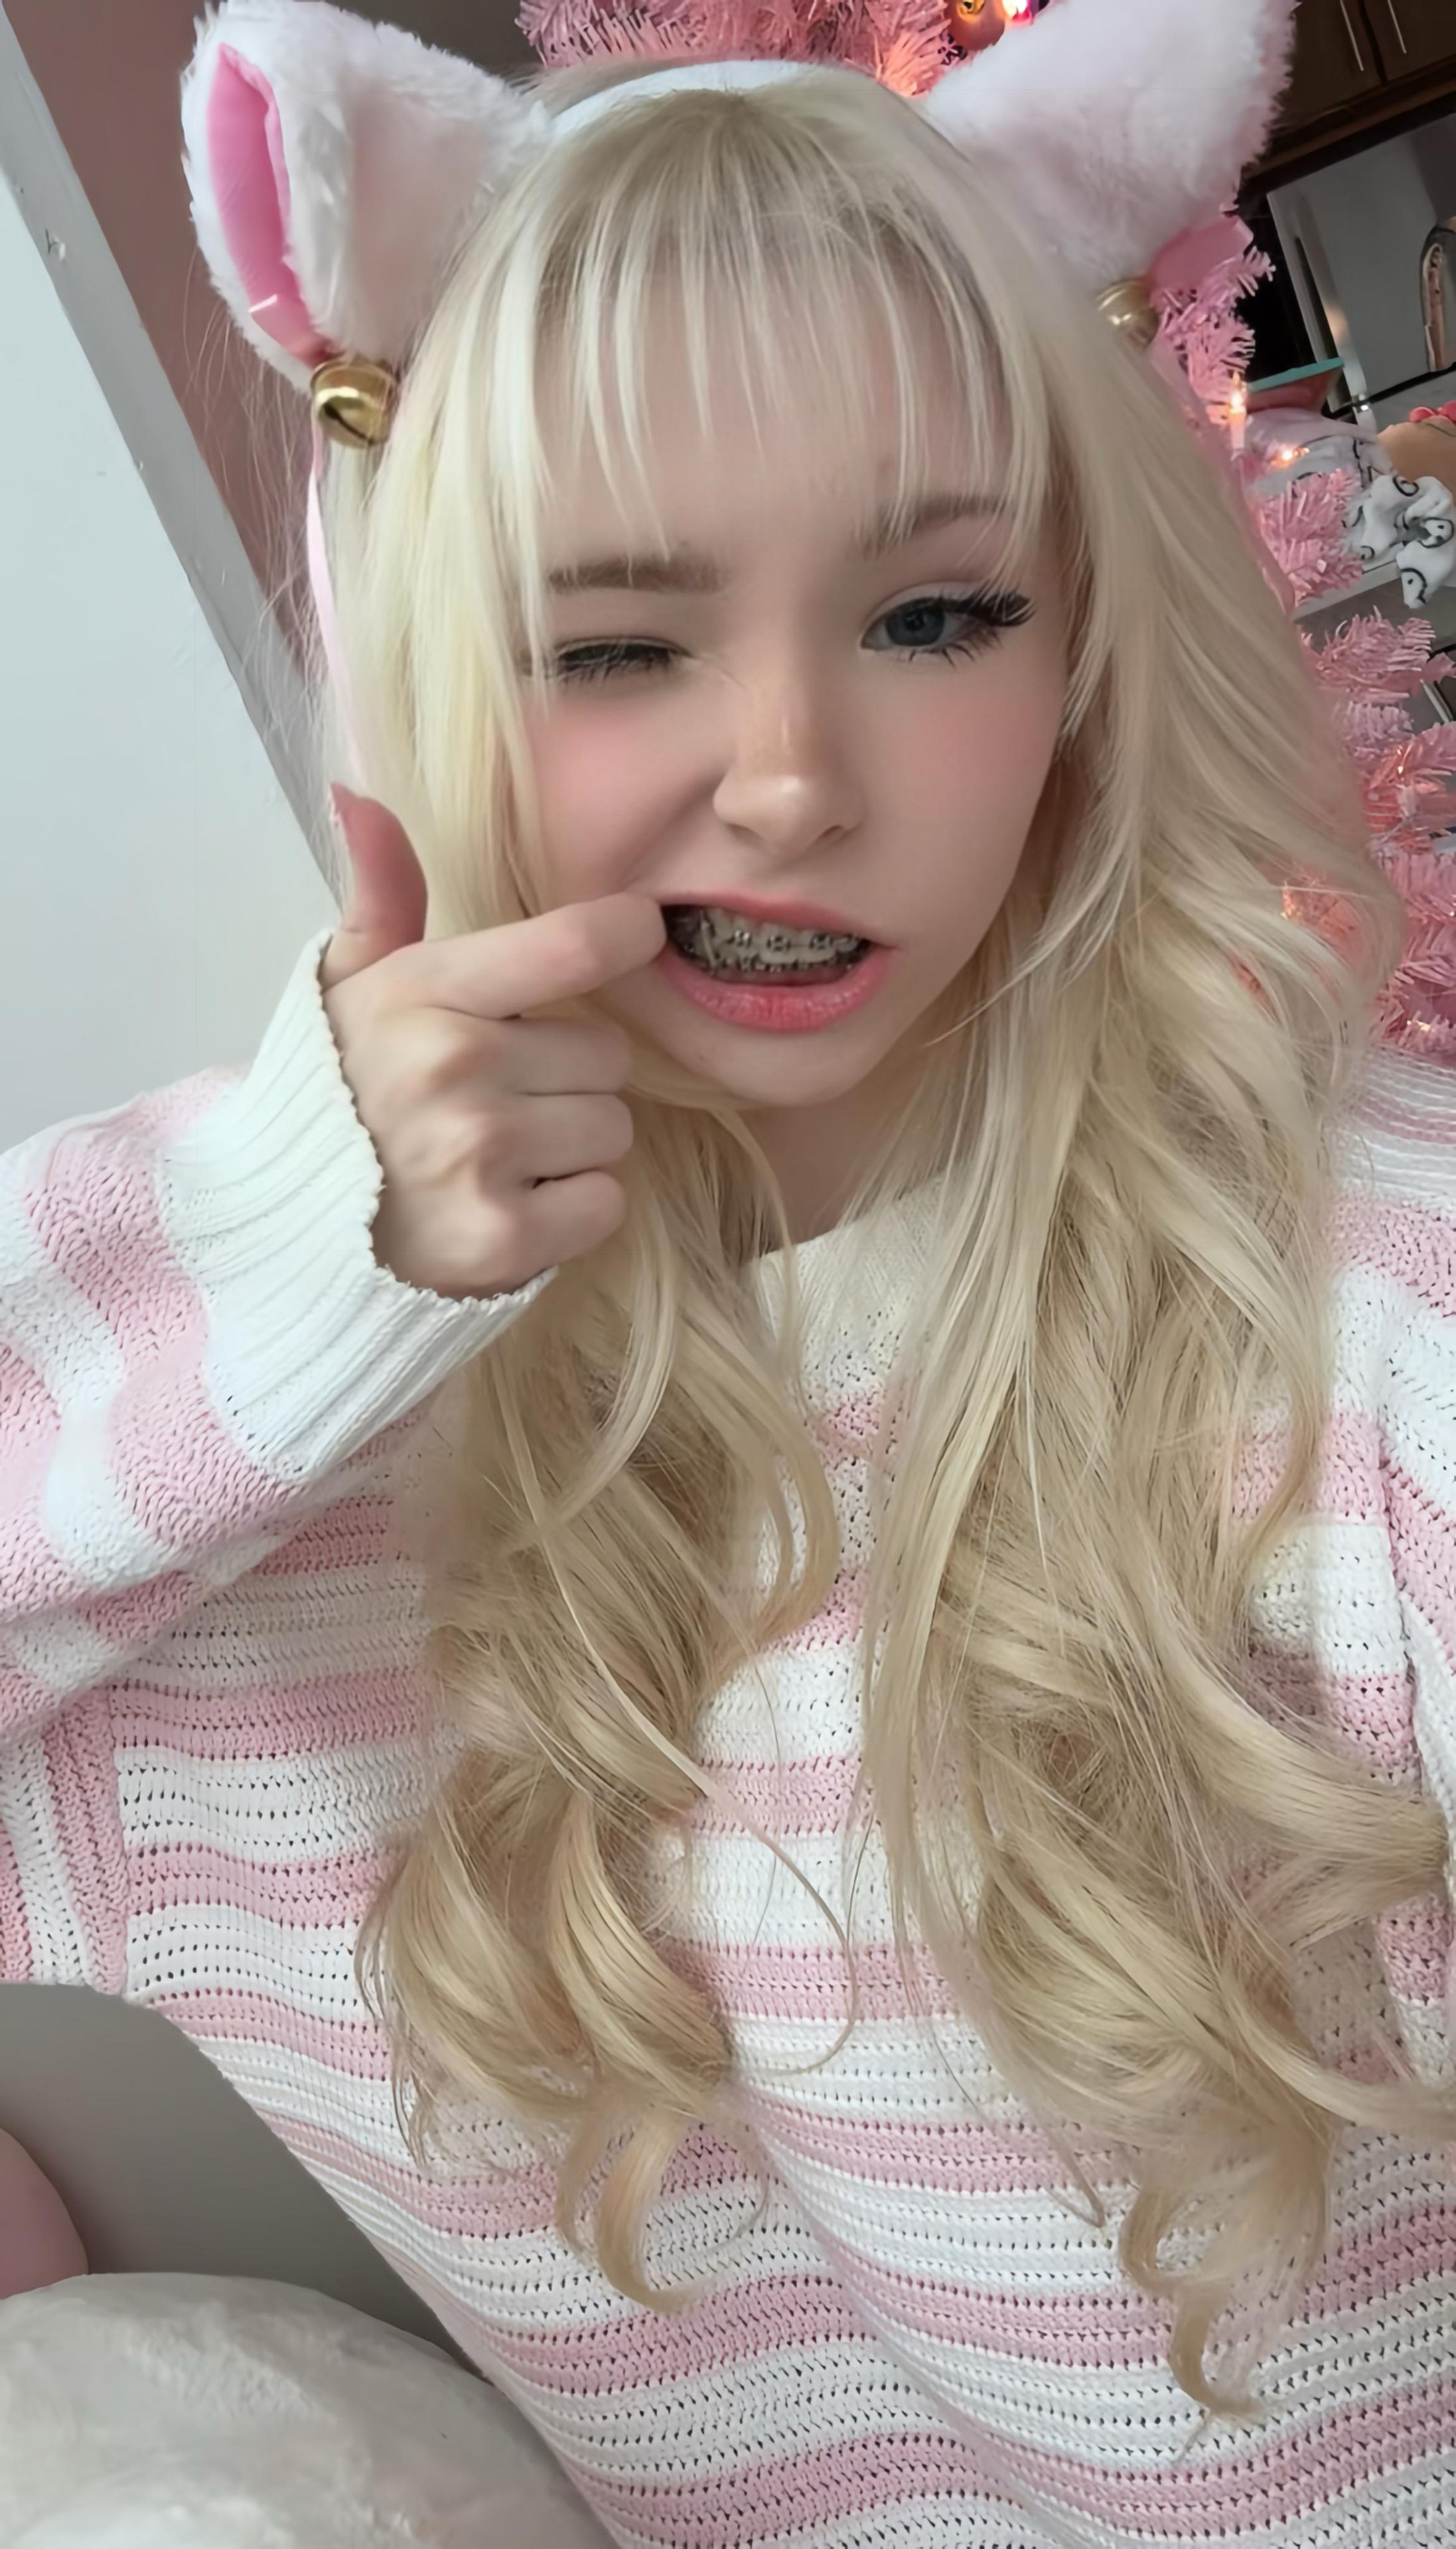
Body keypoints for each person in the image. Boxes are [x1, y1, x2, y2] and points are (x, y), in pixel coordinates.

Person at [5, 0, 1456, 2537]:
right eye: (616, 643)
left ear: (1081, 652)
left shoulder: (1366, 1325)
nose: (787, 778)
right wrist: (287, 1244)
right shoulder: (280, 1474)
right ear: (430, 661)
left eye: (935, 615)